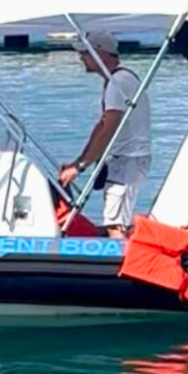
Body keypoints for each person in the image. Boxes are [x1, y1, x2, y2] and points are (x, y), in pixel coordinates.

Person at [57, 29, 151, 239]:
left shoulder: (119, 82)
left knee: (115, 223)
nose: (81, 57)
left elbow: (110, 128)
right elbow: (102, 126)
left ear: (100, 53)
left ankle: (121, 261)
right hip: (124, 160)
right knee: (115, 218)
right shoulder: (115, 81)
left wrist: (80, 167)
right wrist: (78, 161)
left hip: (129, 160)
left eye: (85, 52)